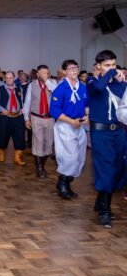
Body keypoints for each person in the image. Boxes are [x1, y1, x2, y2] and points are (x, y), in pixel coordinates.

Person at [88, 50, 126, 228]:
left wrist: (120, 79)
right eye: (107, 65)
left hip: (119, 132)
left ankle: (100, 200)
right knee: (106, 169)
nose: (112, 68)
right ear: (98, 66)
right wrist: (111, 73)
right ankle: (104, 210)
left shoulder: (120, 84)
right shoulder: (92, 81)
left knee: (118, 168)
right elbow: (98, 88)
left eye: (113, 65)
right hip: (101, 133)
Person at [49, 59, 89, 200]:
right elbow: (54, 110)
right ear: (65, 71)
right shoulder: (61, 89)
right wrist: (71, 121)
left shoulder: (82, 87)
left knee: (80, 156)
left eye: (76, 67)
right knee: (69, 156)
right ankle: (63, 185)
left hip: (79, 125)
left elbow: (86, 104)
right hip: (65, 125)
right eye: (71, 68)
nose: (74, 70)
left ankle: (65, 182)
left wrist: (87, 116)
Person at [23, 65, 57, 178]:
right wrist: (26, 119)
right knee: (39, 142)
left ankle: (41, 164)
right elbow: (27, 103)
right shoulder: (31, 85)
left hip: (50, 118)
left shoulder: (53, 83)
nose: (45, 75)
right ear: (37, 74)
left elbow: (56, 92)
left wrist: (47, 81)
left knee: (48, 144)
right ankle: (39, 168)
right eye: (42, 73)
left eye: (47, 73)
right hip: (36, 118)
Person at [0, 71, 26, 166]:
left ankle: (17, 157)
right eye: (7, 78)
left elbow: (22, 101)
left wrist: (22, 108)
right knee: (2, 136)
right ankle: (1, 153)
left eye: (10, 77)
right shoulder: (0, 89)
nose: (9, 79)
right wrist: (1, 109)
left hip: (18, 117)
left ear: (14, 78)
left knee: (19, 137)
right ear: (5, 79)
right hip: (5, 117)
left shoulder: (19, 89)